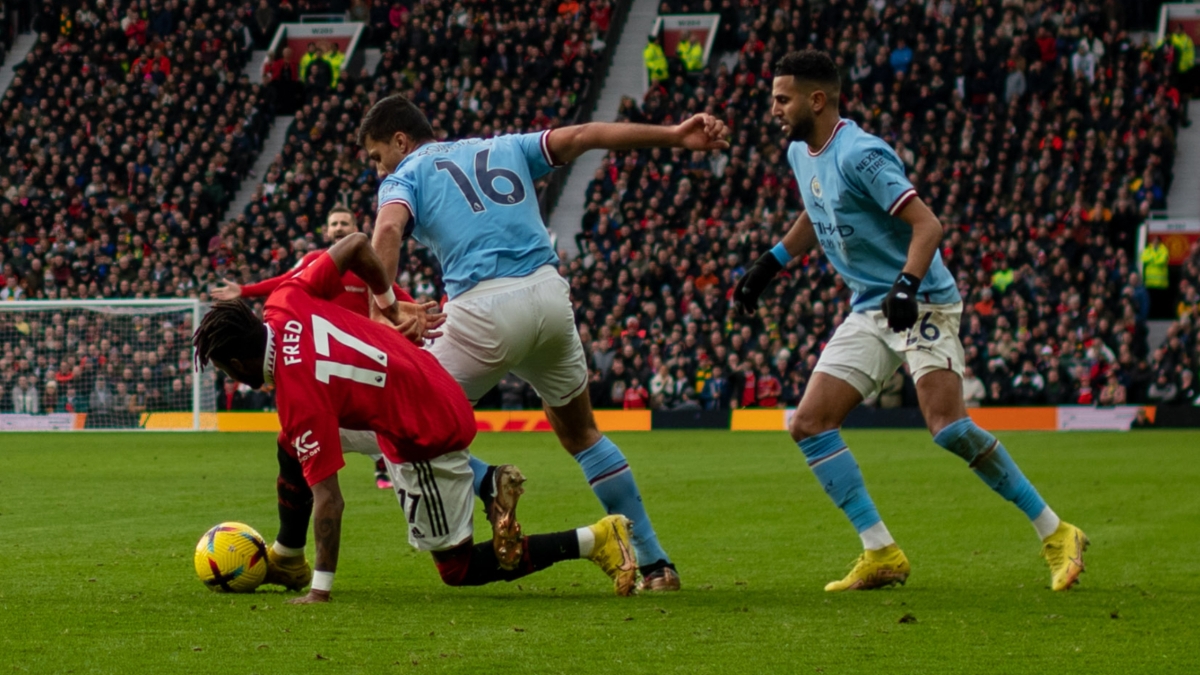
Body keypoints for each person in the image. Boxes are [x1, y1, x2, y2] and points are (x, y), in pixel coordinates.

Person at [731, 49, 1086, 592]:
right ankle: (881, 551)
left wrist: (907, 285)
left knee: (949, 429)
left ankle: (1057, 531)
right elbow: (819, 209)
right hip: (871, 306)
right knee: (807, 423)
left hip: (922, 302)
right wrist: (768, 265)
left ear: (816, 99)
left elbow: (928, 226)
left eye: (782, 98)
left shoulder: (863, 153)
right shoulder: (801, 153)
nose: (774, 108)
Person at [362, 93, 729, 591]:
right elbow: (584, 136)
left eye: (377, 155)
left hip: (483, 311)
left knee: (392, 413)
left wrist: (381, 312)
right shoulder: (505, 145)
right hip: (550, 297)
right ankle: (655, 563)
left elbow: (387, 228)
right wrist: (673, 135)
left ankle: (487, 483)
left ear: (400, 140)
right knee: (582, 435)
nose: (378, 167)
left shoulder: (405, 175)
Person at [192, 234, 640, 602]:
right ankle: (288, 558)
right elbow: (353, 244)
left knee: (457, 568)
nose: (229, 378)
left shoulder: (298, 398)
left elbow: (331, 500)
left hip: (425, 432)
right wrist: (387, 303)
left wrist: (321, 590)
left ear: (239, 361)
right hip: (427, 378)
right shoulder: (285, 300)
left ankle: (596, 538)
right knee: (290, 443)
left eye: (226, 369)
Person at [213, 206, 428, 491]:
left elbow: (391, 293)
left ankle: (378, 464)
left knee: (364, 418)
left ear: (354, 226)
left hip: (361, 356)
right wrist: (246, 291)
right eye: (334, 223)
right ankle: (365, 465)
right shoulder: (315, 262)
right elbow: (284, 282)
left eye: (344, 223)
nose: (338, 228)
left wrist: (415, 312)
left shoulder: (366, 267)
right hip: (320, 361)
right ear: (327, 231)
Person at [1141, 235, 1171, 318]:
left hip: (1161, 283)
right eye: (1153, 240)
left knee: (1161, 302)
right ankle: (1151, 316)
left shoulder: (1164, 250)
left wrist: (1151, 259)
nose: (1155, 242)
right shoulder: (1147, 249)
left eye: (1157, 240)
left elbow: (1162, 260)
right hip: (1150, 282)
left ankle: (1160, 316)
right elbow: (1143, 258)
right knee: (1150, 301)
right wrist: (1156, 258)